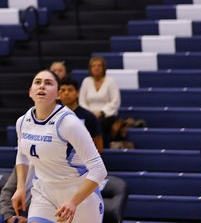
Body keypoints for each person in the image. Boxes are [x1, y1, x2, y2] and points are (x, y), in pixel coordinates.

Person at [12, 70, 107, 223]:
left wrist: (73, 201)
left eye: (48, 83)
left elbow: (99, 169)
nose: (42, 86)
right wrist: (21, 187)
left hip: (78, 194)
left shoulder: (69, 123)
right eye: (38, 82)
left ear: (58, 94)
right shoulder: (22, 122)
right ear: (30, 92)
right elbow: (22, 155)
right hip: (43, 192)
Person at [78, 56, 121, 146]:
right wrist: (90, 113)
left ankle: (100, 147)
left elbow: (115, 101)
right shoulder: (86, 81)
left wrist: (101, 112)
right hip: (89, 114)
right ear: (90, 68)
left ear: (103, 68)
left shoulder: (110, 81)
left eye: (99, 66)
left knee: (98, 124)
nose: (96, 68)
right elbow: (81, 101)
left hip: (107, 116)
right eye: (94, 66)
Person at [59, 77, 104, 154]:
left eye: (70, 90)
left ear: (77, 93)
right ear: (58, 94)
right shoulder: (53, 115)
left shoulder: (88, 116)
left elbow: (98, 145)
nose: (66, 93)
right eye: (63, 90)